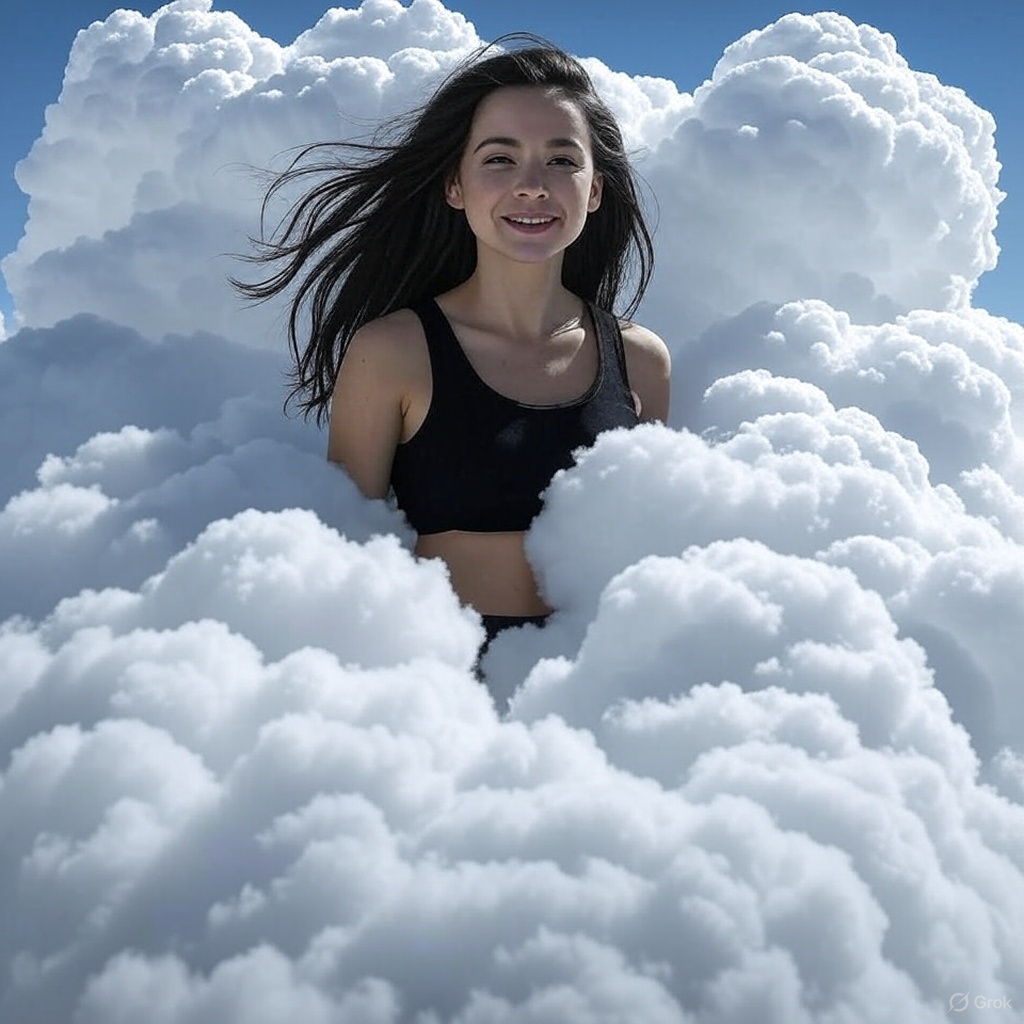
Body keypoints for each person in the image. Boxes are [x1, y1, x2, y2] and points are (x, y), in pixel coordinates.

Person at [232, 34, 671, 672]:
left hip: (600, 675)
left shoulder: (641, 360)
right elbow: (343, 548)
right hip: (441, 684)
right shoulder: (393, 351)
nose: (532, 185)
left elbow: (655, 550)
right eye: (499, 159)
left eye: (560, 160)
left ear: (595, 190)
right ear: (455, 187)